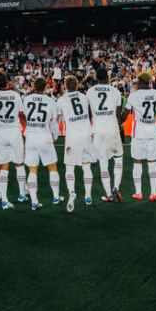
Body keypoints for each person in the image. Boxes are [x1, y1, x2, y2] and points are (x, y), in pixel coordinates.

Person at [0, 70, 25, 210]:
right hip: (14, 131)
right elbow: (21, 114)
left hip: (0, 133)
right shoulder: (15, 95)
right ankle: (22, 194)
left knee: (3, 166)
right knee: (19, 163)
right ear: (8, 82)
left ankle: (4, 199)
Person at [56, 75, 94, 211]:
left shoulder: (61, 100)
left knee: (70, 167)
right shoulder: (84, 97)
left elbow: (58, 119)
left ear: (65, 86)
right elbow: (90, 115)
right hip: (86, 134)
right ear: (77, 85)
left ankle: (72, 192)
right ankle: (88, 196)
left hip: (72, 136)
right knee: (86, 166)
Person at [22, 77, 60, 210]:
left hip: (31, 136)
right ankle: (56, 197)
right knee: (52, 167)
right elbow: (54, 122)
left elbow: (23, 116)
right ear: (45, 87)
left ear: (33, 86)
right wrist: (55, 136)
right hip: (44, 135)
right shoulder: (50, 101)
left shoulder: (26, 100)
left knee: (32, 169)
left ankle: (34, 201)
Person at [87, 68, 124, 202]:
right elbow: (118, 115)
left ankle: (108, 195)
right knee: (118, 158)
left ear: (96, 77)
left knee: (103, 163)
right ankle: (116, 187)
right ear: (107, 77)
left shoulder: (90, 92)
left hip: (97, 130)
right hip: (112, 128)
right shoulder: (115, 91)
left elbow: (89, 114)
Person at [125, 73, 156, 201]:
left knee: (137, 162)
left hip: (138, 133)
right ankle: (153, 193)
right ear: (150, 83)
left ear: (140, 83)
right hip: (153, 132)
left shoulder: (133, 95)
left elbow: (125, 112)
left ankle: (138, 192)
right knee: (152, 163)